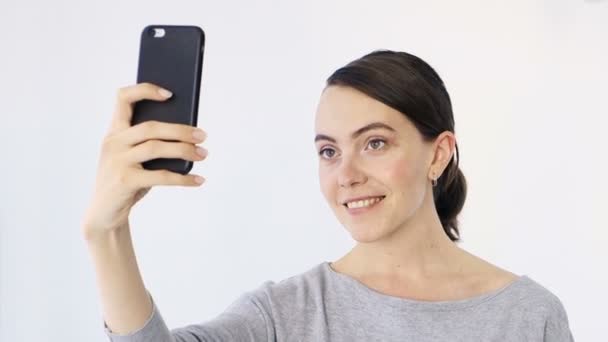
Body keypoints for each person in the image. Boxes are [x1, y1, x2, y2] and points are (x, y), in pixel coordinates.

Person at [82, 50, 574, 341]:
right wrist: (106, 233)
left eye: (374, 143)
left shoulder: (529, 316)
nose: (347, 174)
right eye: (328, 151)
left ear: (438, 154)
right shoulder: (286, 313)